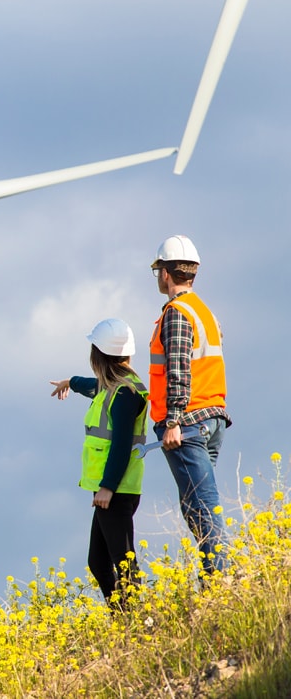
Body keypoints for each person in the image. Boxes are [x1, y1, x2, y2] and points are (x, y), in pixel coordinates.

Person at [50, 318, 148, 607]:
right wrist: (71, 382)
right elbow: (94, 386)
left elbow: (119, 445)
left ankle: (135, 623)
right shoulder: (114, 387)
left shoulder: (125, 395)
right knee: (98, 562)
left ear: (98, 355)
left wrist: (107, 487)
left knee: (123, 563)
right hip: (109, 490)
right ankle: (122, 620)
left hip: (116, 491)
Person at [149, 235, 231, 577]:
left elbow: (180, 371)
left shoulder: (177, 313)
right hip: (212, 419)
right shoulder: (205, 312)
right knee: (196, 505)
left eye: (157, 271)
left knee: (202, 507)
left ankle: (222, 582)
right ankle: (215, 577)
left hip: (187, 423)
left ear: (166, 274)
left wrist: (173, 422)